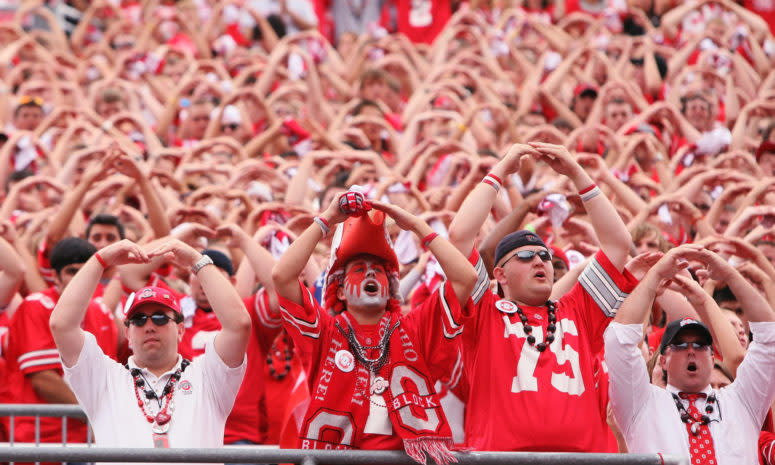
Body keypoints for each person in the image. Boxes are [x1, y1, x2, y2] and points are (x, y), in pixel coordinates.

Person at [446, 142, 638, 451]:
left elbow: (618, 245)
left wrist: (577, 173)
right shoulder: (484, 312)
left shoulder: (577, 310)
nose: (539, 261)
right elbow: (459, 236)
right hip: (501, 462)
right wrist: (501, 170)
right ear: (500, 274)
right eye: (524, 256)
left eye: (544, 256)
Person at [272, 191, 477, 464]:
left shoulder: (414, 328)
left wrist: (417, 226)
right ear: (340, 292)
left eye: (378, 270)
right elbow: (282, 276)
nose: (370, 273)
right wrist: (327, 219)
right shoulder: (326, 332)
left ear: (390, 287)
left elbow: (466, 278)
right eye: (358, 269)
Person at [49, 239, 251, 449]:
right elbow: (62, 325)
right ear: (127, 332)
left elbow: (239, 325)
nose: (150, 326)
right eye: (139, 320)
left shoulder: (207, 375)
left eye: (160, 318)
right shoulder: (104, 378)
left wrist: (196, 260)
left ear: (180, 329)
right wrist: (100, 260)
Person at [604, 244, 775, 464]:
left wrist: (731, 276)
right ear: (663, 360)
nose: (692, 350)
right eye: (680, 346)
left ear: (713, 359)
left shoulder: (741, 401)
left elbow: (769, 338)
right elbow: (619, 341)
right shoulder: (642, 403)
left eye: (701, 345)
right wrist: (654, 276)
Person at [2, 238, 116, 451]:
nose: (80, 279)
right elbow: (43, 379)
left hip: (87, 441)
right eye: (72, 272)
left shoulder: (102, 313)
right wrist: (93, 418)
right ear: (54, 276)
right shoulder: (37, 306)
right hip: (39, 440)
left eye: (86, 272)